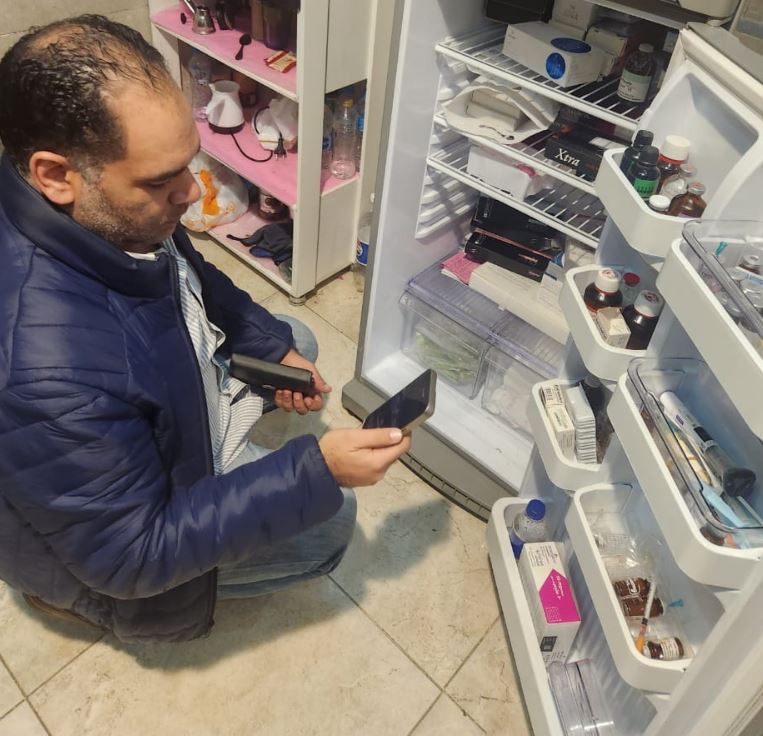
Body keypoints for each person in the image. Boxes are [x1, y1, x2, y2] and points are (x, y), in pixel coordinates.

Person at [0, 15, 410, 642]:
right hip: (111, 557)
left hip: (151, 393)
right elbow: (133, 557)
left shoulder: (111, 214)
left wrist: (269, 349)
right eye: (161, 181)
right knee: (331, 524)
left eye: (186, 164)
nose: (191, 193)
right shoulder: (45, 373)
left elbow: (189, 277)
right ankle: (68, 601)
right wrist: (313, 473)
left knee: (294, 341)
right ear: (56, 176)